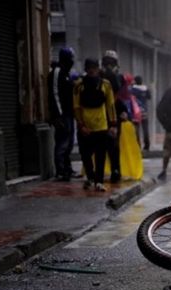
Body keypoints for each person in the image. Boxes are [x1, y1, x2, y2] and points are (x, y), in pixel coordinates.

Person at [73, 58, 117, 192]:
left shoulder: (106, 85)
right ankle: (90, 177)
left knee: (100, 155)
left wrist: (113, 124)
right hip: (85, 127)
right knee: (85, 155)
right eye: (89, 68)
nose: (92, 70)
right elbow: (76, 107)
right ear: (86, 69)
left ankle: (99, 181)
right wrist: (81, 125)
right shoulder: (79, 85)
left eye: (94, 67)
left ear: (98, 69)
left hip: (101, 126)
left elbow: (110, 105)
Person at [48, 47, 76, 181]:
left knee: (69, 143)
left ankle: (67, 168)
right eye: (71, 58)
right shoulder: (57, 72)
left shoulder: (66, 73)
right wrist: (58, 115)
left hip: (69, 114)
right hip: (62, 115)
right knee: (62, 143)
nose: (72, 61)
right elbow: (54, 94)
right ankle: (60, 170)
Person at [101, 50, 127, 183]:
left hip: (115, 116)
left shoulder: (120, 78)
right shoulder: (98, 76)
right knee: (100, 145)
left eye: (112, 63)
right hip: (99, 115)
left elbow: (122, 97)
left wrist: (124, 111)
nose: (109, 66)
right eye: (107, 63)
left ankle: (115, 170)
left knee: (113, 145)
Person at [131, 75, 151, 150]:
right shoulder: (146, 89)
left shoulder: (132, 89)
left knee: (136, 129)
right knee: (145, 128)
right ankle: (147, 144)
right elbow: (149, 97)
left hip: (136, 111)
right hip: (144, 111)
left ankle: (137, 144)